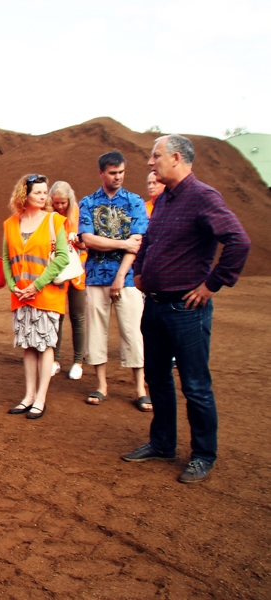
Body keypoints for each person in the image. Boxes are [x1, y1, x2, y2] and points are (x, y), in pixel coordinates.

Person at [123, 134, 250, 483]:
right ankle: (162, 443)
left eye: (155, 156)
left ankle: (203, 454)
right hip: (157, 306)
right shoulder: (165, 200)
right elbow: (149, 240)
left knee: (195, 385)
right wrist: (140, 271)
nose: (150, 162)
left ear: (176, 158)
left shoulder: (203, 196)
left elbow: (239, 241)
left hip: (187, 310)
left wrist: (211, 284)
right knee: (157, 379)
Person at [78, 151, 150, 410]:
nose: (117, 177)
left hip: (127, 279)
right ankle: (101, 385)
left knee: (133, 332)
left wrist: (121, 275)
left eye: (121, 172)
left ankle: (141, 387)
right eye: (112, 173)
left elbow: (138, 243)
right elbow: (88, 239)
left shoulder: (134, 201)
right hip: (96, 276)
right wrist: (121, 243)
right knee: (96, 332)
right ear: (101, 173)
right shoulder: (87, 202)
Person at [2, 174, 70, 419]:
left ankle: (41, 397)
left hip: (46, 294)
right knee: (28, 346)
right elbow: (7, 259)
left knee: (46, 344)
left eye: (45, 192)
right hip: (21, 295)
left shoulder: (54, 221)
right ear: (25, 195)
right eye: (38, 192)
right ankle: (28, 395)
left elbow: (62, 257)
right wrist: (12, 285)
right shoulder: (11, 224)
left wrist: (37, 285)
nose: (43, 196)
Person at [48, 181, 86, 380]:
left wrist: (80, 241)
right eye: (56, 203)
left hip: (78, 271)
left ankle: (78, 361)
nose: (60, 206)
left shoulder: (79, 214)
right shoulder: (50, 217)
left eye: (63, 203)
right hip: (58, 272)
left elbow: (88, 241)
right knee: (58, 315)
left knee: (78, 316)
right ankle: (55, 359)